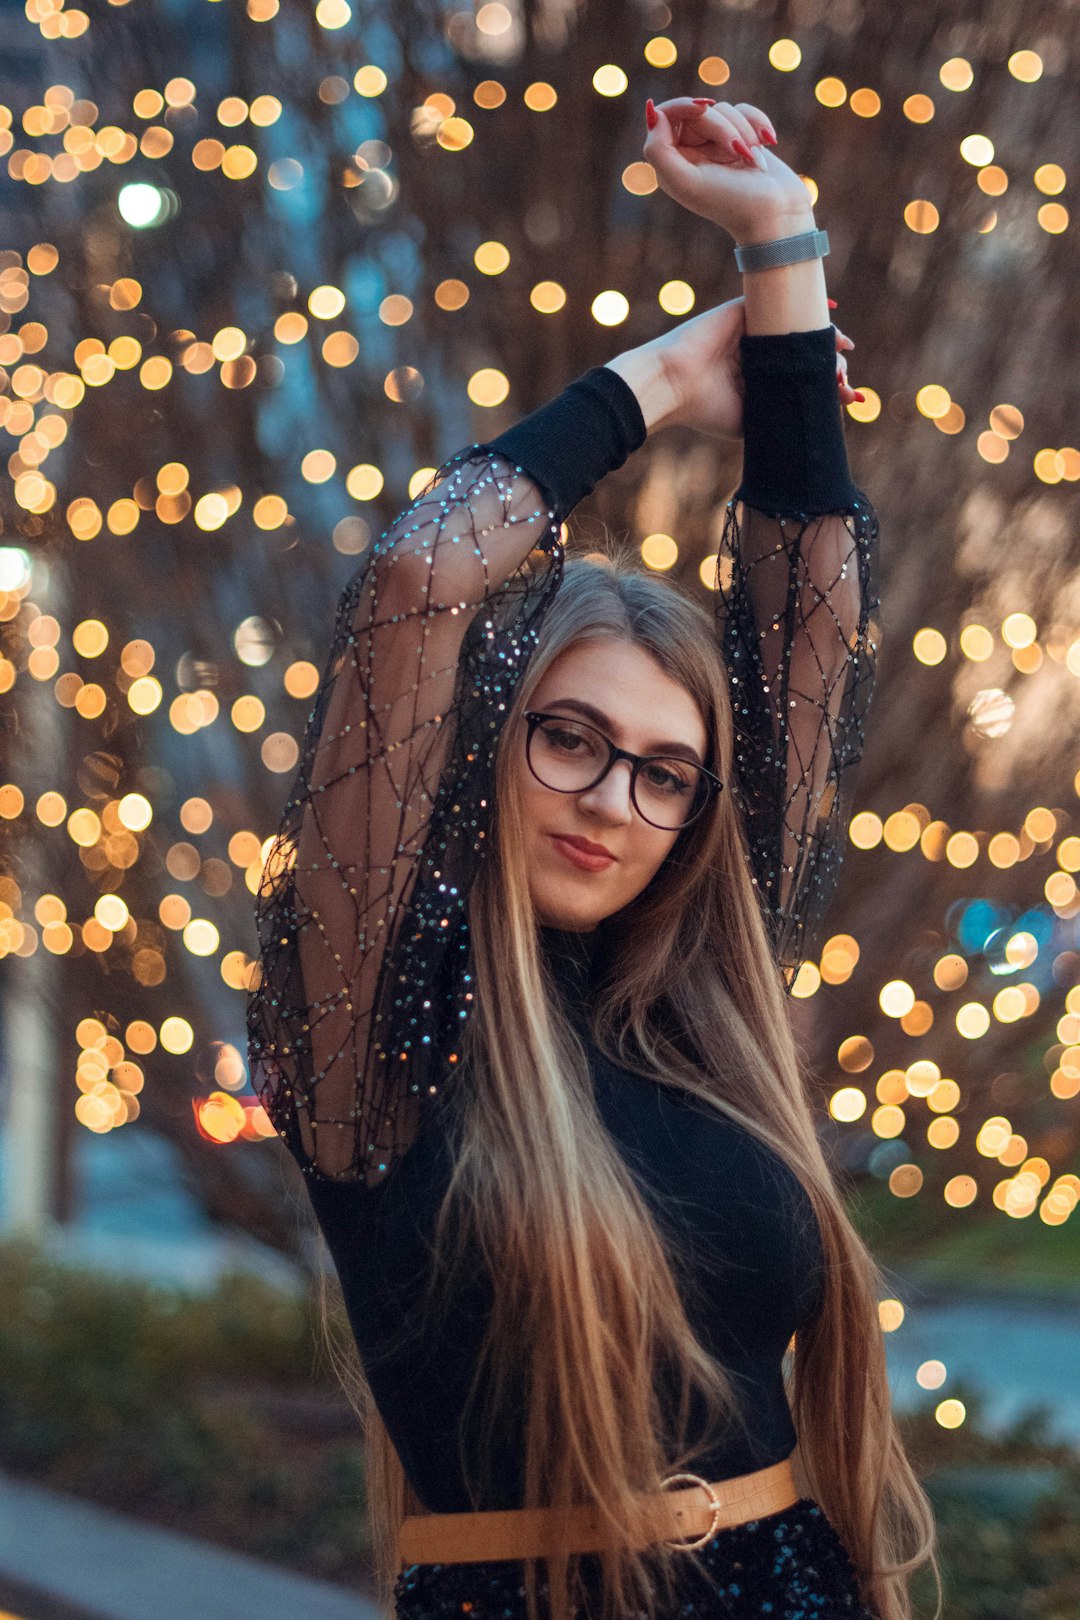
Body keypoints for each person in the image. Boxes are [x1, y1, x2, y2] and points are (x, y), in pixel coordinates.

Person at [247, 95, 937, 1620]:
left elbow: (809, 626)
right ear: (487, 746)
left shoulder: (695, 1007)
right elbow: (423, 585)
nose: (617, 798)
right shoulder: (377, 1023)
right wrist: (664, 381)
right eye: (570, 736)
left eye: (668, 774)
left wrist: (780, 249)